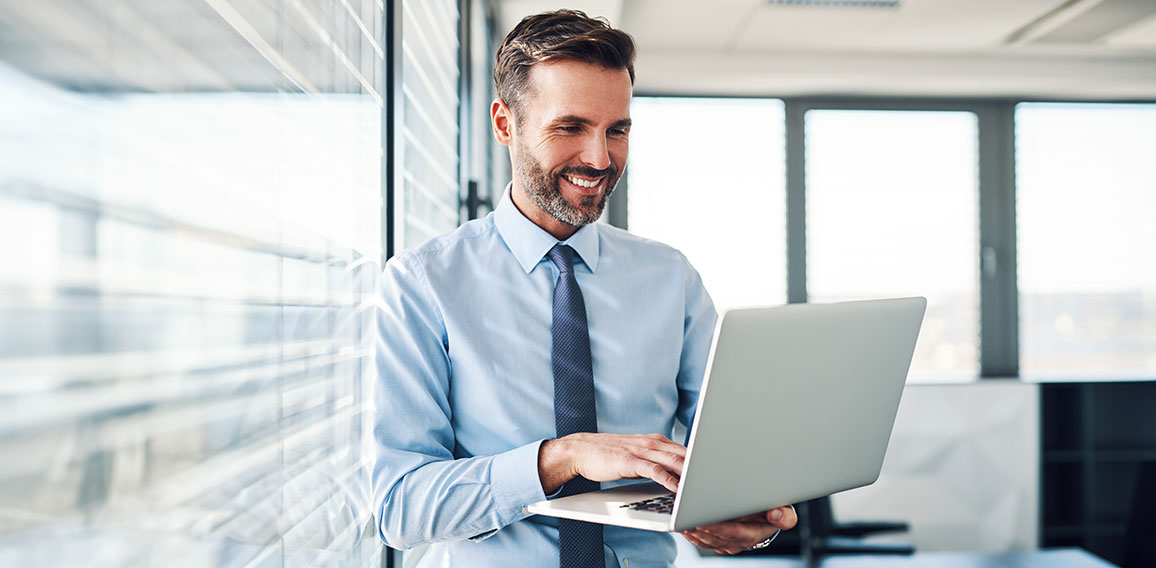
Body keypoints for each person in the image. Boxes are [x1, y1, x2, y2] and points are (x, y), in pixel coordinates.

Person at [372, 9, 797, 567]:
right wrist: (562, 458)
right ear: (505, 124)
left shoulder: (670, 278)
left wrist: (748, 520)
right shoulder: (423, 284)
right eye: (570, 127)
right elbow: (401, 509)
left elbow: (729, 462)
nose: (600, 159)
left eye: (616, 130)